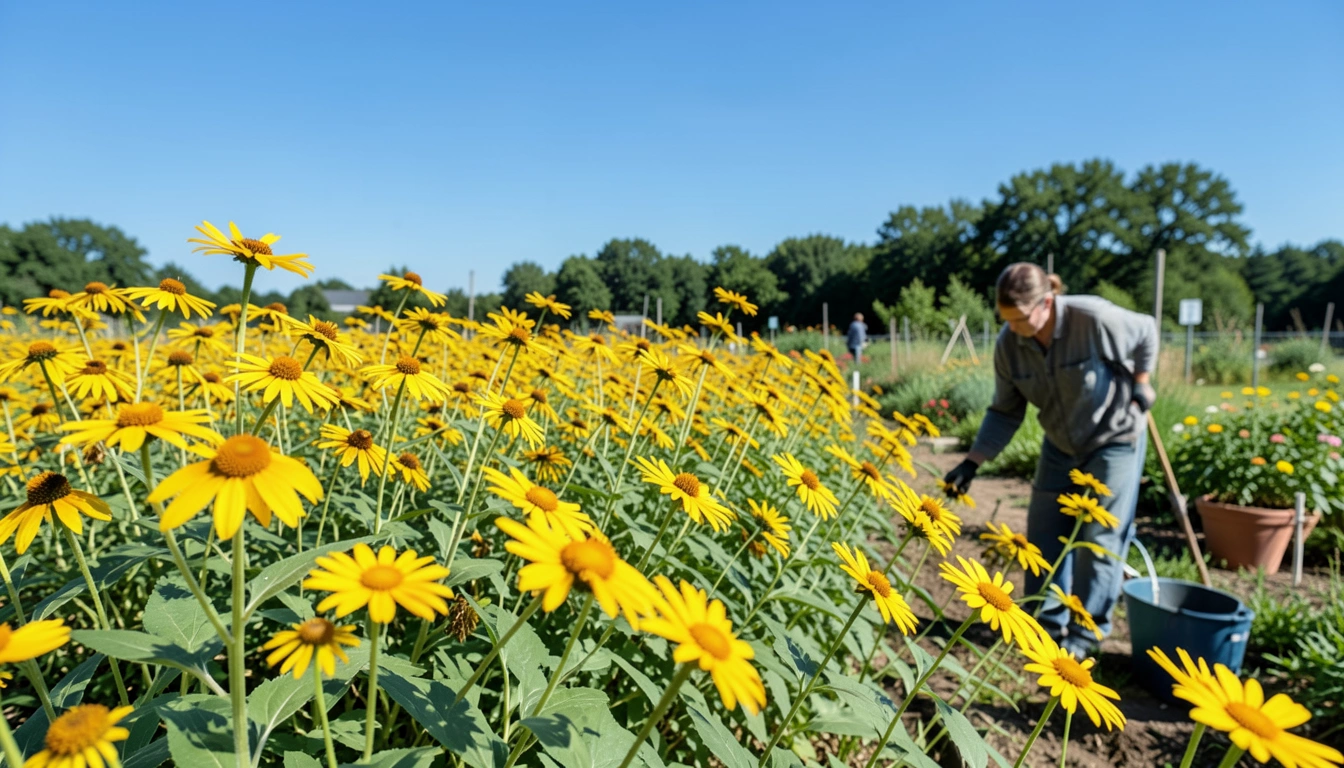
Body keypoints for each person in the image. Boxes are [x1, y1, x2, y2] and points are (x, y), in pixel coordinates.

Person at [942, 263, 1157, 657]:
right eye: (1007, 320)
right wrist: (972, 462)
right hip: (1060, 442)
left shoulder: (1092, 318)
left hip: (1114, 438)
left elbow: (1147, 331)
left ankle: (1084, 639)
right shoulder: (1010, 343)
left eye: (1022, 319)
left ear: (1047, 301)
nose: (1016, 329)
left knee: (1098, 539)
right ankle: (1043, 628)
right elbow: (1006, 411)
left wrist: (1142, 383)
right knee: (1042, 537)